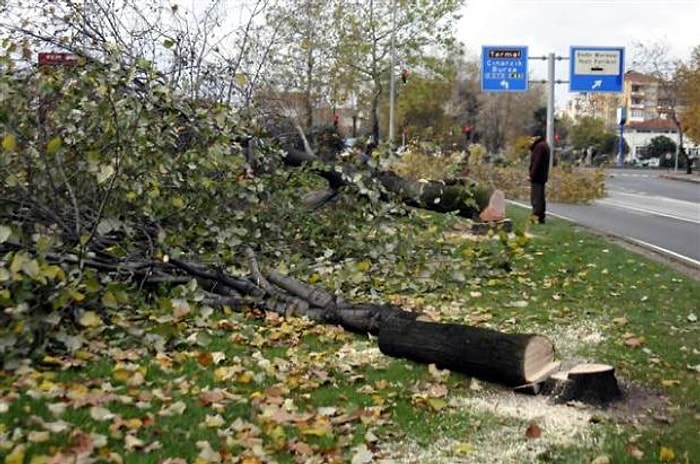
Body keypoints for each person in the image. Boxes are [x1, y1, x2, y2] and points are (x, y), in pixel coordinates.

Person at [528, 127, 550, 224]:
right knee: (541, 197)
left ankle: (536, 216)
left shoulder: (539, 147)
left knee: (536, 197)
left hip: (537, 177)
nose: (532, 139)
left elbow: (536, 163)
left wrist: (531, 175)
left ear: (538, 136)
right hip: (542, 176)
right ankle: (541, 216)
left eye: (533, 137)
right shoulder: (545, 146)